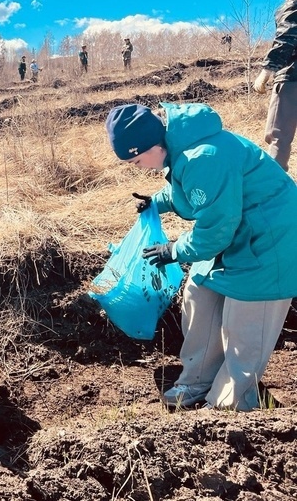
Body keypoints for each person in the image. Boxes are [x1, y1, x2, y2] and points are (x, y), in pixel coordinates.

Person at [104, 102, 297, 412]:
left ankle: (228, 406)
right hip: (238, 233)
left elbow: (216, 228)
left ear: (153, 143)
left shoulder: (204, 156)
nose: (139, 167)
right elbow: (191, 191)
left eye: (137, 160)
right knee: (198, 292)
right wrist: (157, 202)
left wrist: (174, 250)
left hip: (271, 241)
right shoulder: (178, 146)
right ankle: (198, 380)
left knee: (245, 327)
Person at [253, 0, 297, 171]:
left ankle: (273, 190)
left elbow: (286, 39)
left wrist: (267, 70)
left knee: (278, 136)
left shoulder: (293, 5)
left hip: (291, 77)